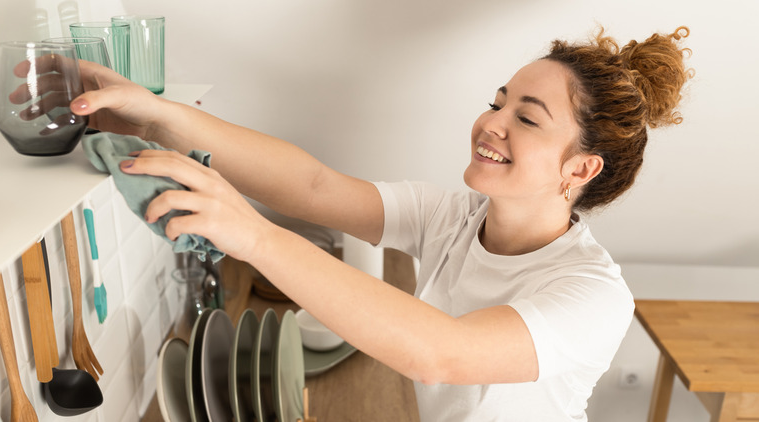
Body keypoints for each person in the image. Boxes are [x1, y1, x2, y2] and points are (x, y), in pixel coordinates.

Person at [69, 26, 692, 421]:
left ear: (580, 168)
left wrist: (255, 235)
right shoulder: (454, 218)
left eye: (527, 119)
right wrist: (154, 115)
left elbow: (441, 354)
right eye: (497, 100)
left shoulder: (593, 294)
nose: (491, 123)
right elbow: (314, 186)